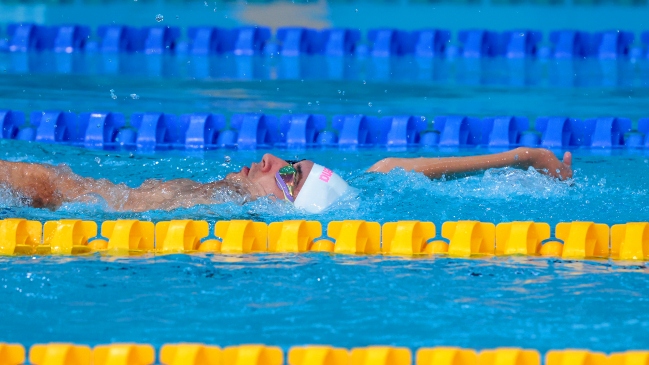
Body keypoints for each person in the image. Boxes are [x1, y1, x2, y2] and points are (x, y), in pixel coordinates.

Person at [0, 147, 572, 213]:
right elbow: (390, 172)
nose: (270, 157)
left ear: (285, 202)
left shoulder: (195, 205)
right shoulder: (230, 199)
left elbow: (53, 192)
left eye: (285, 174)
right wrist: (519, 156)